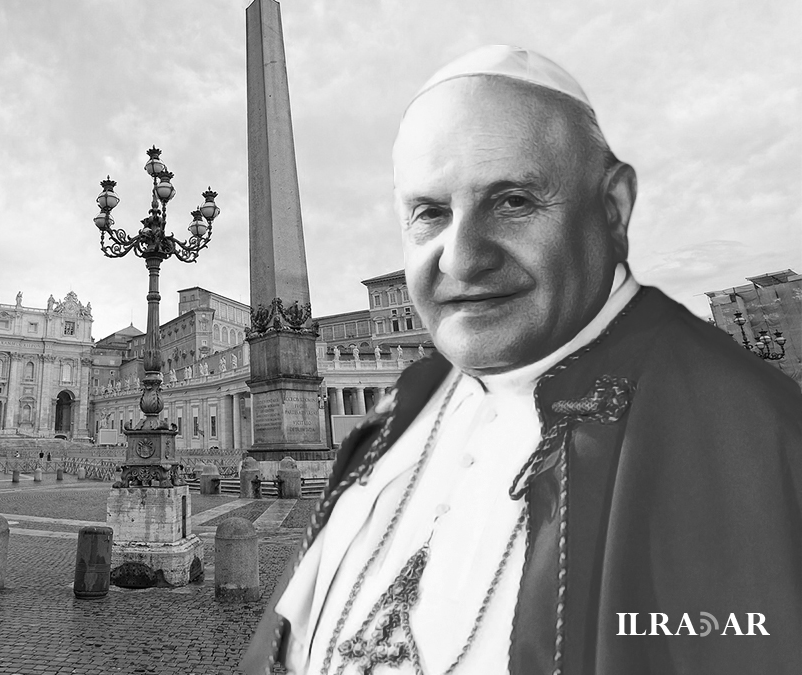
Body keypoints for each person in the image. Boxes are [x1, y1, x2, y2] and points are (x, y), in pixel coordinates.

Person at [243, 45, 802, 675]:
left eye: (512, 201)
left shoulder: (735, 438)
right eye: (429, 213)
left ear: (612, 209)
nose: (461, 259)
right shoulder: (399, 417)